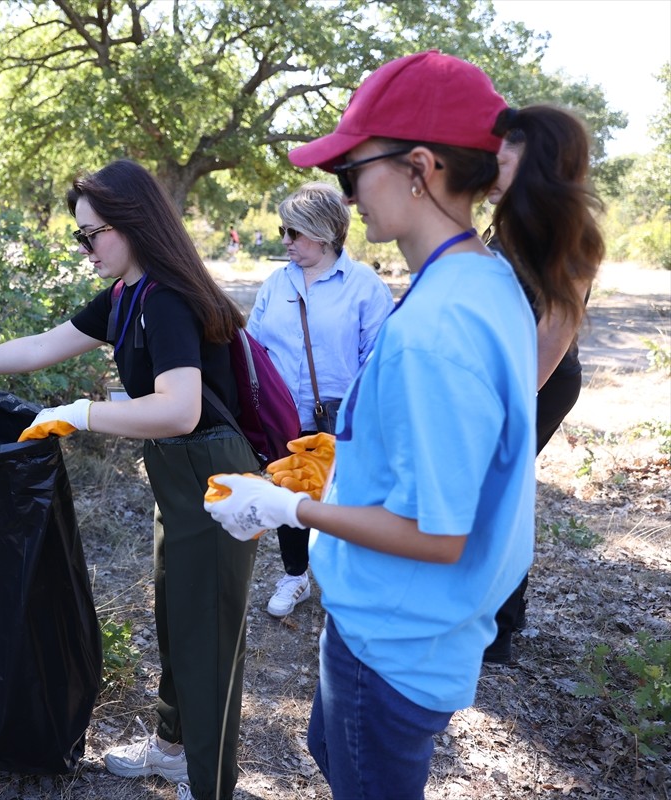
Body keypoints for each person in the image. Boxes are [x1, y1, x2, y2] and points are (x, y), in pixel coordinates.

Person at [203, 51, 602, 798]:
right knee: (332, 745)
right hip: (405, 623)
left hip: (393, 639)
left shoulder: (436, 327)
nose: (347, 196)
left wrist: (285, 506)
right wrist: (352, 460)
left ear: (419, 167)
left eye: (353, 172)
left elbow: (437, 534)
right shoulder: (480, 280)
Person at [0, 159, 256, 800]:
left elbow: (180, 408)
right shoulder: (127, 295)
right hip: (181, 479)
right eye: (79, 236)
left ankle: (210, 786)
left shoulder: (165, 301)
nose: (85, 249)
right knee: (174, 616)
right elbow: (44, 345)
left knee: (207, 637)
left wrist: (80, 413)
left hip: (214, 479)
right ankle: (170, 747)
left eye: (92, 234)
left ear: (132, 224)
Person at [246, 182, 393, 618]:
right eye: (283, 231)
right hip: (281, 411)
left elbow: (379, 358)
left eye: (294, 232)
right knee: (291, 491)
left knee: (341, 501)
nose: (285, 241)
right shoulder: (276, 282)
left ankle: (349, 586)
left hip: (341, 416)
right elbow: (253, 347)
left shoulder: (364, 285)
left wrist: (361, 416)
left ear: (325, 231)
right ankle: (295, 577)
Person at [482, 128, 600, 663]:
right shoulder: (507, 223)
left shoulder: (571, 235)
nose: (488, 166)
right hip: (499, 379)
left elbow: (553, 338)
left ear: (532, 167)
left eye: (501, 158)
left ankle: (499, 628)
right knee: (493, 491)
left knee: (503, 492)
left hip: (539, 381)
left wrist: (506, 405)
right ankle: (497, 611)